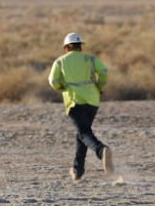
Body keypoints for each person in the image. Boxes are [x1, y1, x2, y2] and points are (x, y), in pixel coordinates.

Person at [48, 32, 113, 181]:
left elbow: (53, 81)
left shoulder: (60, 62)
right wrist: (99, 86)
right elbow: (104, 71)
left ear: (66, 48)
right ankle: (78, 170)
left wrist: (61, 87)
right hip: (92, 101)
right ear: (80, 47)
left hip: (74, 101)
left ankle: (101, 150)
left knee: (84, 133)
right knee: (82, 133)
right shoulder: (90, 59)